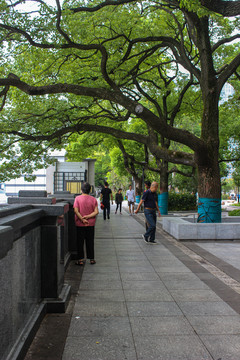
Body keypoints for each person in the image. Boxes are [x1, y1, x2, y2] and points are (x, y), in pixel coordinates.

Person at [73, 182, 99, 266]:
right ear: (89, 190)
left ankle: (80, 259)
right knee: (90, 241)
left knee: (80, 242)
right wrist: (88, 217)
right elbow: (96, 212)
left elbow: (76, 211)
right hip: (90, 224)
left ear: (81, 190)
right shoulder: (93, 199)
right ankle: (91, 259)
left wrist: (82, 219)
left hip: (80, 224)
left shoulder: (77, 198)